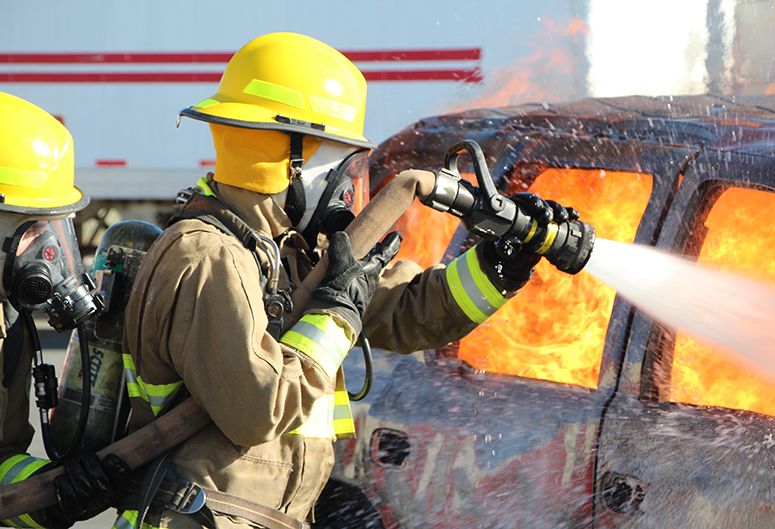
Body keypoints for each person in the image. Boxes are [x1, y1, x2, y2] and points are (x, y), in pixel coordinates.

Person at [118, 32, 568, 528]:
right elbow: (255, 409)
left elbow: (409, 312)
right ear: (289, 159)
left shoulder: (292, 249)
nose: (349, 183)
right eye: (341, 160)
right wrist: (335, 311)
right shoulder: (207, 255)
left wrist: (501, 264)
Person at [0, 91, 127, 528]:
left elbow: (2, 463)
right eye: (33, 227)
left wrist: (51, 493)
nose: (49, 250)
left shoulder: (9, 325)